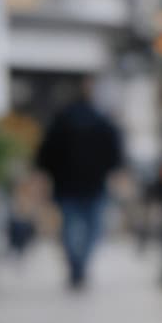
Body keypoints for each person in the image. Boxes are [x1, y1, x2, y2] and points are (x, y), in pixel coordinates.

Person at [32, 89, 127, 288]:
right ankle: (81, 263)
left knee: (68, 226)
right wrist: (114, 170)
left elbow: (46, 152)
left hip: (65, 184)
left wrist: (45, 172)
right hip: (95, 183)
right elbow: (115, 152)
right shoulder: (102, 122)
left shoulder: (61, 121)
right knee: (94, 227)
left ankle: (75, 263)